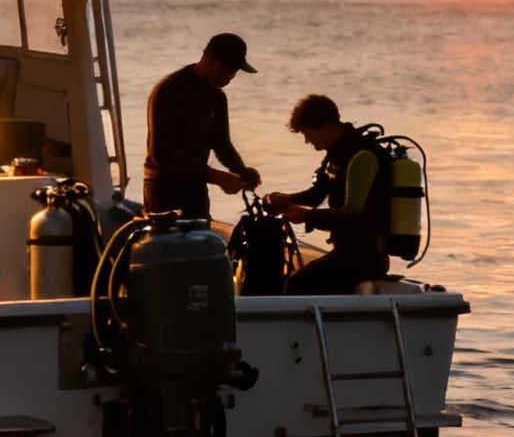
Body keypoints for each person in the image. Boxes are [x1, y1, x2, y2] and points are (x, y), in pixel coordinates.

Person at [263, 94, 391, 295]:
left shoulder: (362, 156)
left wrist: (307, 216)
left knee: (297, 284)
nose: (307, 141)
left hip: (365, 257)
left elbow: (352, 212)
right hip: (345, 253)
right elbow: (316, 194)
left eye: (310, 134)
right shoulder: (336, 154)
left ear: (325, 125)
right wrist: (287, 200)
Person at [142, 32, 261, 218]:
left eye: (234, 73)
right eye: (225, 70)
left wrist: (241, 171)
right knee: (170, 244)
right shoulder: (168, 90)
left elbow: (222, 144)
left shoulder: (217, 97)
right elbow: (162, 153)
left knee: (202, 241)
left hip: (195, 186)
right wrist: (216, 177)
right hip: (163, 187)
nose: (229, 77)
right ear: (208, 58)